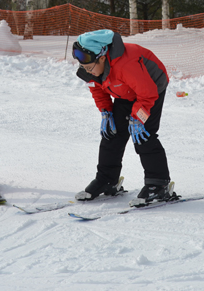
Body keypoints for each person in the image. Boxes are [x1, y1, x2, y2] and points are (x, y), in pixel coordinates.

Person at [72, 29, 173, 207]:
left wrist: (137, 118)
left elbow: (147, 94)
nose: (87, 71)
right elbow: (96, 88)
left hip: (151, 90)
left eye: (89, 68)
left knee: (143, 135)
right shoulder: (93, 66)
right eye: (83, 68)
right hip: (125, 91)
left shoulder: (126, 65)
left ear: (102, 57)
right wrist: (106, 111)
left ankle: (158, 184)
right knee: (112, 133)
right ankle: (107, 180)